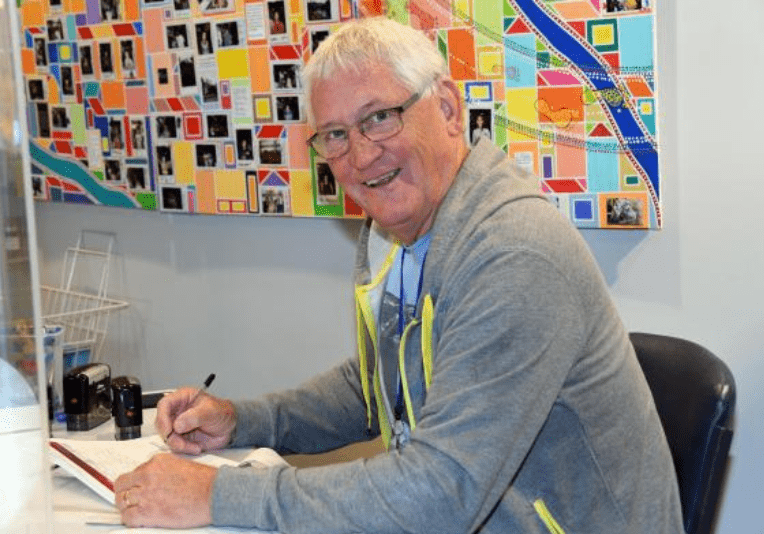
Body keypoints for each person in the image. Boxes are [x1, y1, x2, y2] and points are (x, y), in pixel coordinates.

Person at [114, 17, 683, 533]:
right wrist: (244, 420)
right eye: (335, 135)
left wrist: (221, 494)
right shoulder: (397, 229)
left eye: (379, 118)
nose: (361, 157)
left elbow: (442, 491)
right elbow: (377, 386)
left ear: (448, 109)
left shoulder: (515, 253)